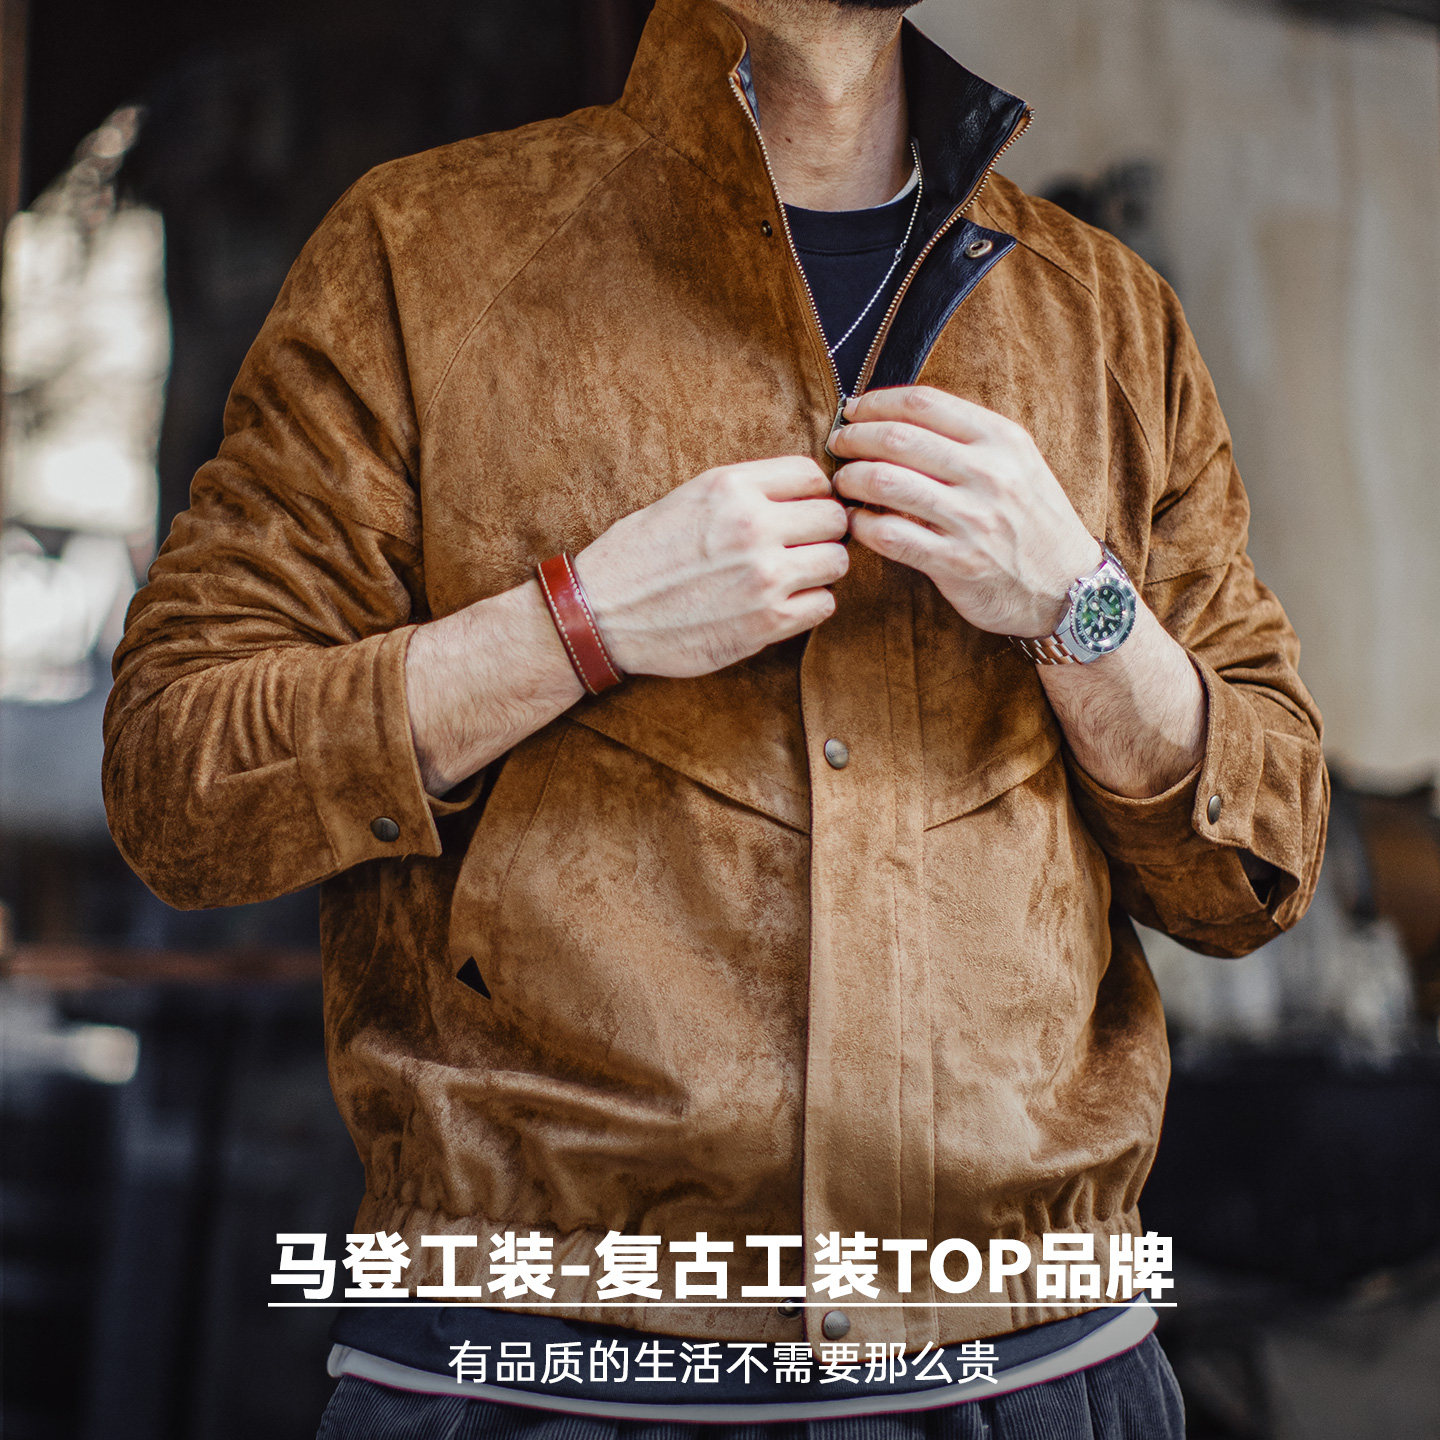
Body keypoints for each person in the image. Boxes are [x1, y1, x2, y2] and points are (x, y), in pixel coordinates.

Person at [102, 0, 1328, 1435]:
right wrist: (579, 625)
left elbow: (1261, 862)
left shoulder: (1109, 317)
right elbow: (180, 778)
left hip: (1039, 1373)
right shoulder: (419, 256)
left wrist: (1078, 598)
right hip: (541, 1376)